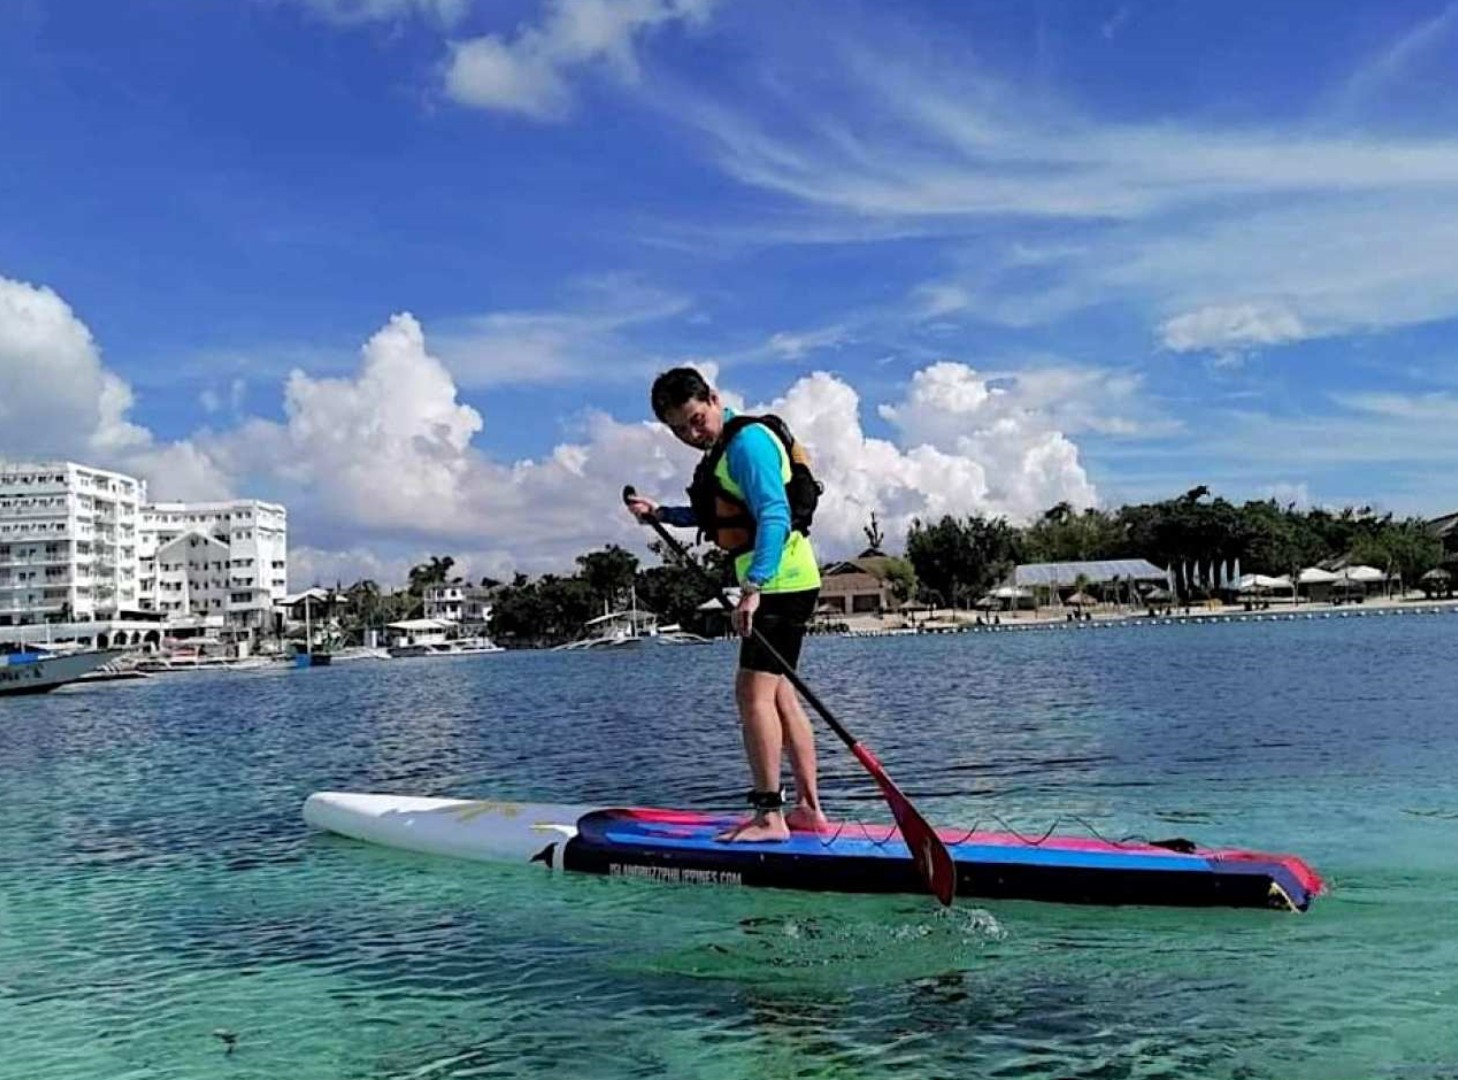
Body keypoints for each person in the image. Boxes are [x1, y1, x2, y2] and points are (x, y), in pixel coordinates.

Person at [627, 367, 828, 842]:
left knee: (751, 695)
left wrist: (754, 586)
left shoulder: (747, 444)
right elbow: (718, 515)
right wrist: (661, 514)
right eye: (679, 430)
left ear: (714, 399)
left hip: (780, 583)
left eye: (696, 420)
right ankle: (808, 810)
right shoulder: (723, 451)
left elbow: (774, 513)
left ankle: (769, 817)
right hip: (787, 580)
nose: (691, 434)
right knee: (778, 695)